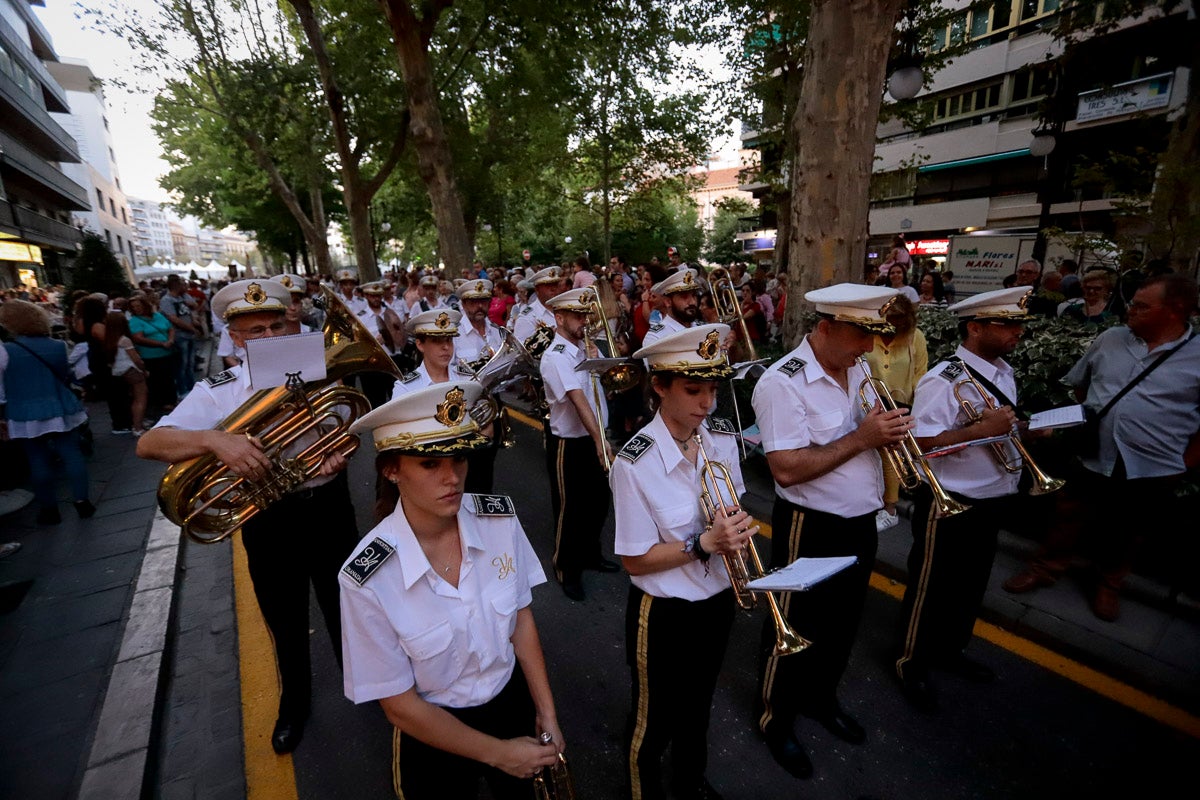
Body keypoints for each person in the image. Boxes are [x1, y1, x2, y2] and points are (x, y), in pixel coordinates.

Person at [137, 279, 360, 754]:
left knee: (350, 606)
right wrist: (216, 440)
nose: (270, 334)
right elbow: (149, 444)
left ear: (291, 322)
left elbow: (345, 422)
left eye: (278, 323)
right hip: (268, 517)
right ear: (235, 338)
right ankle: (294, 703)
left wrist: (338, 453)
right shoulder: (217, 392)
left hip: (329, 505)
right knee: (284, 615)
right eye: (255, 329)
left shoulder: (318, 370)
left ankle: (370, 686)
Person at [338, 382, 564, 799]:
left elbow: (520, 618)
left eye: (459, 458)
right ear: (391, 469)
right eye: (429, 464)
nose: (452, 477)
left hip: (509, 701)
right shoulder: (367, 577)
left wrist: (546, 711)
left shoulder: (499, 521)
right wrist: (498, 754)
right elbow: (399, 705)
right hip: (433, 731)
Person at [751, 283, 910, 780]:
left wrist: (885, 430)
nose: (869, 347)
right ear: (825, 328)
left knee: (842, 624)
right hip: (810, 524)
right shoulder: (783, 382)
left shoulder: (856, 367)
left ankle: (821, 699)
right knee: (795, 627)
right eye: (861, 335)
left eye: (872, 335)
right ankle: (775, 719)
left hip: (859, 519)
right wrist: (863, 437)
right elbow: (787, 469)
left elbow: (864, 435)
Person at [1002, 274, 1200, 621]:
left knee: (1130, 529)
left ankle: (1109, 584)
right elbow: (1081, 387)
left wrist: (1184, 463)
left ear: (1175, 311)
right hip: (1094, 453)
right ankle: (1046, 566)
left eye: (1141, 306)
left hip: (1153, 465)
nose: (1130, 310)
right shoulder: (1111, 339)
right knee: (1068, 512)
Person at [611, 323, 749, 800]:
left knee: (698, 706)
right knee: (653, 719)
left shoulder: (721, 439)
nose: (706, 402)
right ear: (660, 386)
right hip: (664, 612)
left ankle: (690, 781)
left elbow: (733, 508)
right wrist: (702, 544)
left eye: (712, 388)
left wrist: (735, 530)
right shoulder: (634, 462)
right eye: (693, 389)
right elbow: (633, 560)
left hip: (716, 600)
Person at [893, 287, 1035, 712]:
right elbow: (919, 445)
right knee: (931, 587)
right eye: (1006, 324)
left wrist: (1025, 428)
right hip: (952, 499)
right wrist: (977, 432)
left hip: (994, 494)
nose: (1017, 332)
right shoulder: (944, 379)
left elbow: (999, 425)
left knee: (970, 584)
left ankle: (950, 651)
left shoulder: (1003, 371)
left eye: (1018, 324)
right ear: (975, 327)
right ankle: (910, 661)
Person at [539, 288, 617, 601]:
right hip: (569, 443)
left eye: (585, 315)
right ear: (559, 318)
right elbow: (578, 399)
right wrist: (601, 440)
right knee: (570, 508)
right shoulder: (556, 356)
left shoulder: (584, 349)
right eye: (576, 316)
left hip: (594, 436)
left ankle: (590, 554)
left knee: (598, 501)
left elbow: (600, 392)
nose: (583, 321)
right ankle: (565, 567)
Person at [0, 300, 95, 524]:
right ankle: (83, 503)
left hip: (22, 410)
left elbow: (1, 389)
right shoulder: (57, 345)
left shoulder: (5, 350)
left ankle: (49, 509)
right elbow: (65, 374)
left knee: (37, 458)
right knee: (71, 453)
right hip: (59, 406)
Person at [863, 294, 928, 531]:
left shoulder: (915, 338)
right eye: (890, 319)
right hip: (867, 402)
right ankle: (870, 503)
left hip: (900, 403)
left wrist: (919, 408)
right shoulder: (869, 332)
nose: (893, 325)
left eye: (899, 320)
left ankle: (890, 508)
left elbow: (921, 373)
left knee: (889, 453)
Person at [357, 281, 407, 408]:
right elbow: (358, 343)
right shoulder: (361, 317)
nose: (376, 299)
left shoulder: (391, 313)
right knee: (375, 403)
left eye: (378, 295)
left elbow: (401, 334)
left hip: (393, 361)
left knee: (397, 402)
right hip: (373, 365)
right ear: (366, 296)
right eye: (372, 296)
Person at [128, 293, 179, 417]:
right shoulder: (135, 321)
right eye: (133, 307)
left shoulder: (158, 315)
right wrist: (161, 343)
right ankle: (161, 403)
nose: (136, 309)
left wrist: (171, 340)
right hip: (151, 355)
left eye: (138, 306)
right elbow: (138, 338)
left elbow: (170, 328)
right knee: (157, 380)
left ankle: (171, 400)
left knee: (169, 377)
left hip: (167, 352)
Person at [104, 311, 148, 437]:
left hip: (119, 371)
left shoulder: (109, 338)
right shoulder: (125, 340)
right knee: (141, 398)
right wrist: (144, 370)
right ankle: (138, 427)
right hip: (133, 370)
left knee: (133, 398)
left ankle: (136, 423)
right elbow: (136, 359)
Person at [160, 274, 199, 396]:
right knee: (182, 365)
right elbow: (174, 319)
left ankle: (192, 388)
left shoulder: (183, 297)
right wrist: (191, 328)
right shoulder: (166, 300)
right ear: (176, 285)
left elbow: (194, 306)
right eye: (183, 284)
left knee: (190, 364)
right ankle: (183, 390)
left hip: (189, 335)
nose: (186, 286)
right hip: (180, 336)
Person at [642, 268, 702, 346]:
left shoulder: (705, 328)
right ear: (668, 302)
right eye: (684, 297)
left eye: (694, 295)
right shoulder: (656, 338)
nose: (692, 302)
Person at [512, 266, 566, 347]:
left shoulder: (566, 309)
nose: (553, 288)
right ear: (537, 290)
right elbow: (521, 351)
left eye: (556, 284)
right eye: (548, 285)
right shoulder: (527, 317)